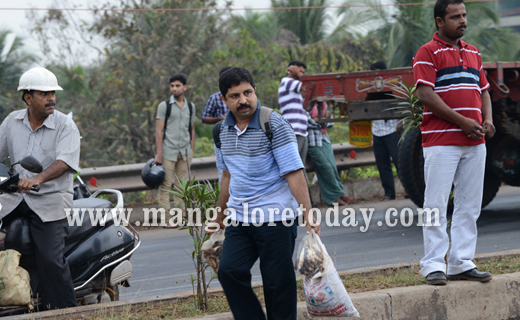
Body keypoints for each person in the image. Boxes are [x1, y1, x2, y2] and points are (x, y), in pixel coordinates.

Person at [210, 67, 320, 320]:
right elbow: (226, 176)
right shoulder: (221, 132)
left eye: (247, 92)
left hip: (276, 218)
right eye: (235, 96)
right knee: (229, 271)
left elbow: (294, 172)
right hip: (240, 219)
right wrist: (218, 217)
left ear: (255, 91)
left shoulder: (274, 123)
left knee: (276, 284)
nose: (243, 100)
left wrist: (308, 213)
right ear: (224, 100)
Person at [413, 0, 494, 285]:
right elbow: (425, 95)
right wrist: (462, 121)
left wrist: (488, 120)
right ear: (439, 21)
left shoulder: (473, 52)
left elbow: (482, 90)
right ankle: (433, 265)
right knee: (435, 203)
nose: (462, 20)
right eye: (455, 16)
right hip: (441, 140)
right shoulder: (427, 52)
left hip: (475, 141)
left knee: (469, 204)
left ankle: (461, 261)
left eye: (464, 15)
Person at [0, 67, 80, 310]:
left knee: (50, 259)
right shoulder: (12, 122)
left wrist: (38, 179)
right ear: (28, 97)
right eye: (44, 94)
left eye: (52, 93)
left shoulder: (65, 125)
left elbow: (65, 162)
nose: (51, 98)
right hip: (14, 199)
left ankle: (67, 312)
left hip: (50, 200)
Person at [154, 73, 196, 227]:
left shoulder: (190, 107)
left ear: (185, 87)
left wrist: (191, 150)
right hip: (168, 151)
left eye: (178, 85)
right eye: (172, 86)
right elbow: (159, 131)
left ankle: (181, 217)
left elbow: (191, 129)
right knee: (165, 186)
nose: (174, 88)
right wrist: (159, 153)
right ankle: (166, 219)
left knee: (181, 187)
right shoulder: (164, 106)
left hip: (184, 152)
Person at [278, 60, 315, 204]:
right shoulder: (286, 81)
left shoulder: (296, 90)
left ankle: (306, 201)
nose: (302, 74)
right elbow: (307, 86)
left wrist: (297, 72)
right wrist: (296, 73)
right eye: (300, 71)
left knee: (300, 168)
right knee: (295, 169)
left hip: (302, 131)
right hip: (292, 130)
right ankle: (302, 202)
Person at [307, 102, 355, 206]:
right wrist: (321, 121)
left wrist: (318, 121)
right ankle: (335, 198)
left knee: (332, 167)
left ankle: (340, 195)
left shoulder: (324, 103)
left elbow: (330, 121)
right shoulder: (306, 103)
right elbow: (305, 121)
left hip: (324, 138)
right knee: (325, 167)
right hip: (311, 140)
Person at [369, 61, 402, 201]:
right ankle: (389, 193)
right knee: (382, 165)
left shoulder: (392, 87)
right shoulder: (369, 89)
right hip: (377, 131)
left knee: (400, 162)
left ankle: (409, 189)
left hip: (392, 130)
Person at [201, 66, 231, 182]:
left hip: (240, 138)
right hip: (222, 139)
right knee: (223, 173)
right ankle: (224, 199)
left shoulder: (241, 95)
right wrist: (219, 118)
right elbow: (204, 118)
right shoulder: (215, 98)